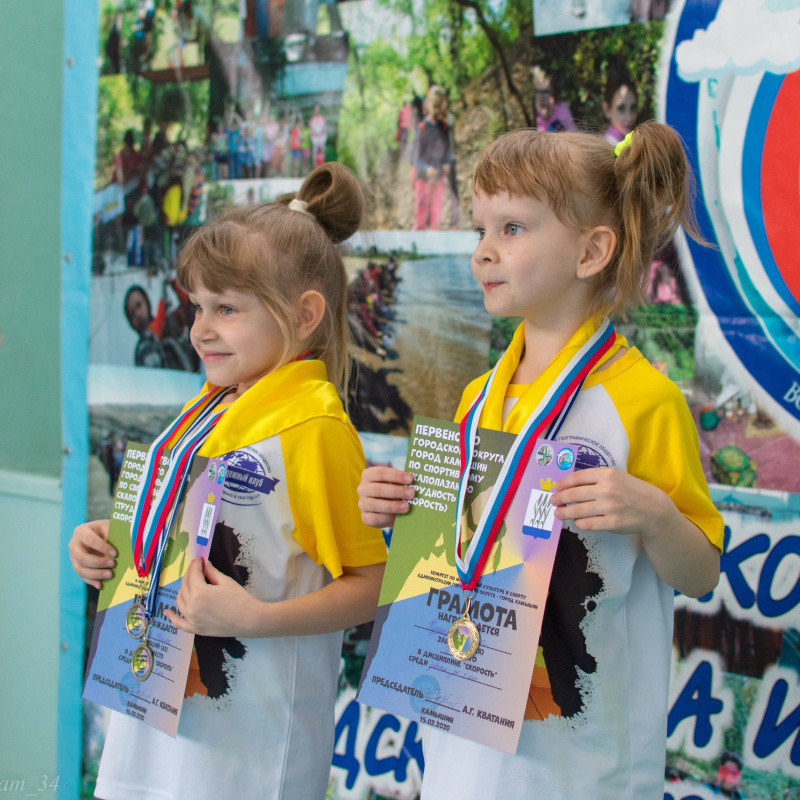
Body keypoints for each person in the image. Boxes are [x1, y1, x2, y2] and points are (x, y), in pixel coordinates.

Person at [357, 123, 723, 799]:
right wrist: (395, 506)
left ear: (591, 251)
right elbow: (458, 547)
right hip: (462, 748)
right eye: (480, 229)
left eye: (513, 228)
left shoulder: (645, 401)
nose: (483, 252)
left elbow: (700, 573)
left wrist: (655, 514)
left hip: (582, 768)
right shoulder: (478, 398)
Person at [70, 163, 387, 800]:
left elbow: (373, 585)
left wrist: (259, 618)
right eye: (198, 306)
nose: (200, 329)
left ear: (303, 314)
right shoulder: (206, 408)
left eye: (228, 308)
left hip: (247, 758)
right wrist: (112, 540)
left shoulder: (315, 430)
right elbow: (195, 534)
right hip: (151, 728)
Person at [410, 85, 452, 230]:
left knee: (436, 216)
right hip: (423, 178)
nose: (437, 110)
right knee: (421, 217)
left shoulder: (444, 126)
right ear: (428, 105)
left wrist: (446, 162)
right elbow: (414, 155)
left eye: (440, 106)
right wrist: (426, 168)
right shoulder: (422, 127)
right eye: (435, 106)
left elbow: (447, 149)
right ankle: (416, 239)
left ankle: (434, 239)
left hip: (438, 178)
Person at [532, 66, 577, 133]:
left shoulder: (562, 112)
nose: (542, 97)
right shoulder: (537, 115)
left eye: (546, 92)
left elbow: (574, 134)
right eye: (538, 91)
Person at [603, 73, 638, 146]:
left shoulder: (631, 142)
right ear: (607, 109)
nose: (629, 117)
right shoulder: (608, 147)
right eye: (621, 109)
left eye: (633, 108)